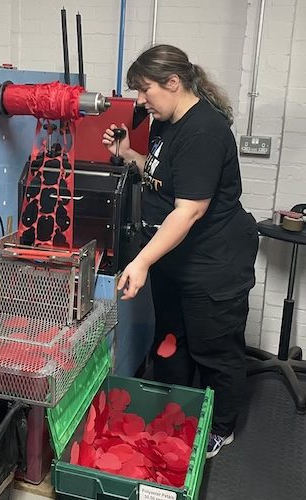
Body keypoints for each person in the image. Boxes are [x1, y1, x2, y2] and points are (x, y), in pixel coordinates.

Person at [102, 44, 258, 459]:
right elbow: (162, 180)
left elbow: (188, 211)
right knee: (171, 341)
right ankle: (177, 415)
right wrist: (127, 155)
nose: (139, 101)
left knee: (215, 349)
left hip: (213, 264)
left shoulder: (203, 131)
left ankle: (220, 429)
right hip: (176, 259)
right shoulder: (166, 122)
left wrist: (141, 261)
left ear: (173, 83)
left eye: (144, 90)